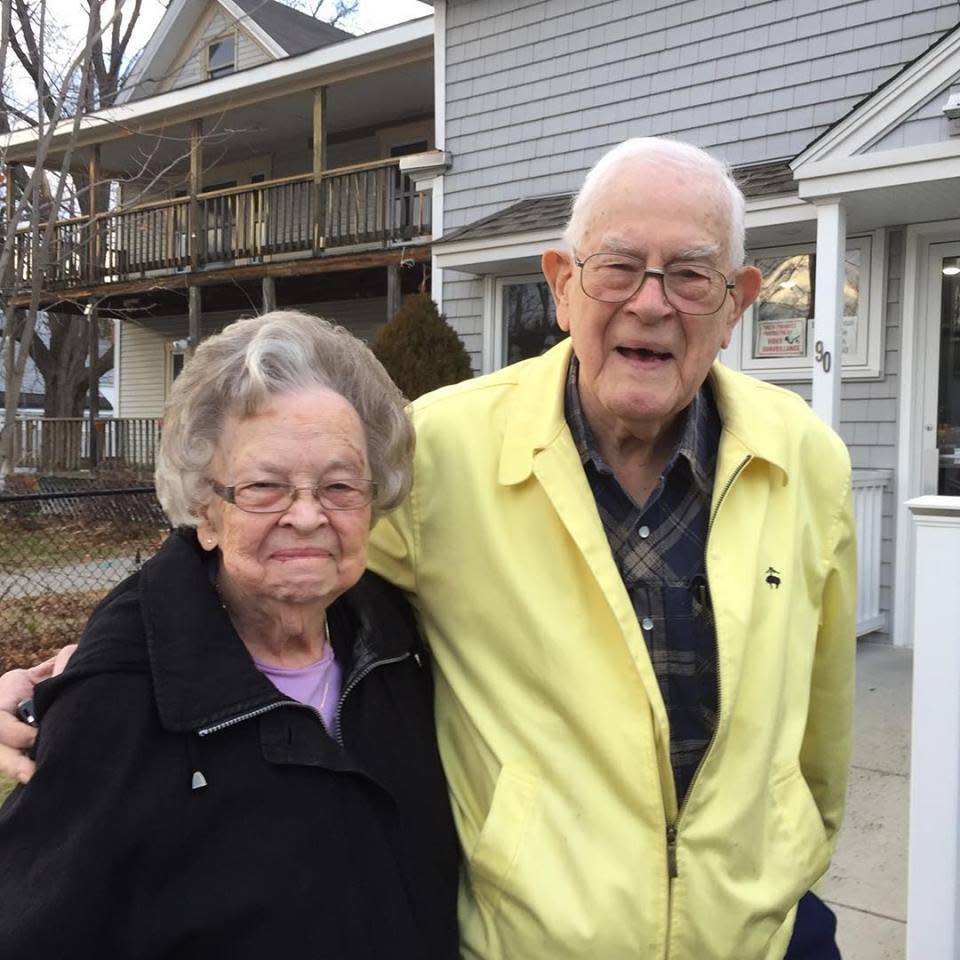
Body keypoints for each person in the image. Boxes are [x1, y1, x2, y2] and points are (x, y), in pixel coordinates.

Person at [0, 138, 855, 960]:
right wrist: (83, 680)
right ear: (562, 285)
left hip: (766, 936)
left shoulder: (806, 457)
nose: (651, 302)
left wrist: (794, 853)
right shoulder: (443, 445)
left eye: (692, 275)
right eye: (619, 267)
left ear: (737, 300)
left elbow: (822, 712)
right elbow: (258, 553)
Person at [0, 312, 460, 958]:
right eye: (266, 487)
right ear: (206, 512)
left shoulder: (397, 647)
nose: (306, 516)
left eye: (339, 486)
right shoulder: (120, 697)